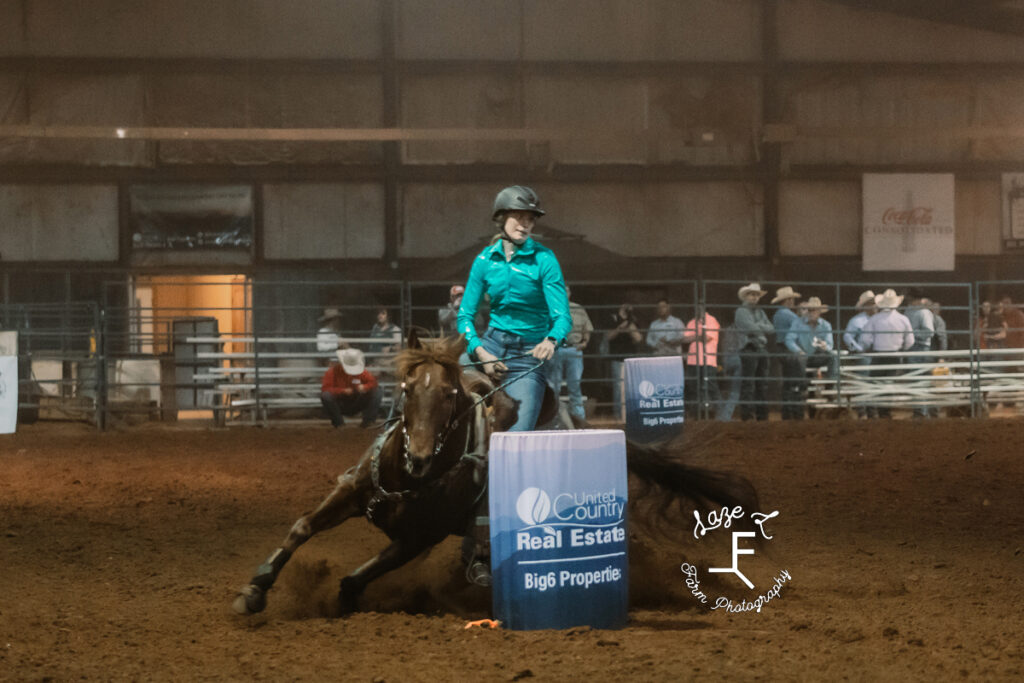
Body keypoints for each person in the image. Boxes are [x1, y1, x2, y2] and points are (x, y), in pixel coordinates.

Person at [457, 185, 571, 587]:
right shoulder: (483, 261)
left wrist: (551, 340)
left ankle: (493, 541)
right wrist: (479, 351)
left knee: (515, 441)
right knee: (434, 393)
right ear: (501, 219)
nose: (526, 224)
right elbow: (466, 316)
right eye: (519, 217)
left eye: (531, 219)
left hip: (527, 357)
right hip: (489, 348)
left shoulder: (545, 259)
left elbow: (562, 316)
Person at [860, 289, 914, 418]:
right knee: (889, 384)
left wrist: (869, 346)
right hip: (895, 355)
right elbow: (910, 341)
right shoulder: (903, 319)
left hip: (878, 355)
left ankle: (872, 413)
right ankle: (885, 412)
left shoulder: (874, 319)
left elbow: (865, 340)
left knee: (874, 384)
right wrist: (902, 348)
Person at [546, 285, 593, 428]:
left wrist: (584, 343)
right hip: (557, 351)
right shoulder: (551, 308)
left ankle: (579, 420)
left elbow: (588, 328)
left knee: (575, 386)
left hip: (574, 350)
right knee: (554, 387)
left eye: (567, 290)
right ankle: (553, 420)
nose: (564, 293)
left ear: (570, 293)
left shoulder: (578, 309)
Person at [784, 297, 835, 419]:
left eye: (815, 310)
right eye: (810, 310)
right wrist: (798, 350)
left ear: (819, 312)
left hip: (817, 357)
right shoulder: (798, 323)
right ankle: (803, 388)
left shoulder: (826, 325)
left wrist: (825, 346)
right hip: (804, 357)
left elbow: (830, 345)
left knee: (832, 356)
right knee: (800, 359)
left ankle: (830, 386)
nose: (812, 312)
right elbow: (789, 339)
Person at [734, 283, 774, 421]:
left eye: (757, 295)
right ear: (746, 296)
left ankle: (762, 416)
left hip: (760, 349)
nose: (755, 297)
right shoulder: (741, 311)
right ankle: (747, 416)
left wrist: (758, 327)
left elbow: (771, 328)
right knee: (749, 384)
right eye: (752, 294)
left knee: (761, 383)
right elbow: (751, 328)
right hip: (748, 348)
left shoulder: (760, 311)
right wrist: (760, 328)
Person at [320, 348, 381, 429]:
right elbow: (325, 389)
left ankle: (368, 422)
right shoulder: (332, 372)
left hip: (357, 400)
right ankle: (339, 424)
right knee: (326, 396)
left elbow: (373, 383)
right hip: (340, 402)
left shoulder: (362, 372)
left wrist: (364, 387)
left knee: (377, 391)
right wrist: (342, 391)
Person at [607, 304, 644, 420]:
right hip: (617, 358)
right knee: (618, 386)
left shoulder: (633, 320)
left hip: (631, 358)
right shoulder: (613, 318)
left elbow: (638, 338)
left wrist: (630, 327)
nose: (627, 310)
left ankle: (632, 413)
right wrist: (620, 328)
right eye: (624, 308)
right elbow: (608, 336)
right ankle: (618, 415)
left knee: (632, 386)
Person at [771, 286, 803, 420]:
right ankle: (794, 412)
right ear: (787, 300)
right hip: (788, 348)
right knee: (794, 380)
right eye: (791, 299)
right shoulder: (788, 315)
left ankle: (788, 412)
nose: (793, 301)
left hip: (781, 347)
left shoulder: (778, 314)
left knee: (788, 380)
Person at [682, 305, 720, 419]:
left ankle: (719, 416)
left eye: (701, 307)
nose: (698, 310)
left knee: (710, 386)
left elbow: (707, 338)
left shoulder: (712, 320)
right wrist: (699, 336)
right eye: (697, 307)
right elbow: (684, 339)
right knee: (694, 387)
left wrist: (694, 336)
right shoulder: (692, 321)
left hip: (708, 360)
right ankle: (696, 416)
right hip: (693, 360)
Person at [843, 290, 877, 418]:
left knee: (873, 382)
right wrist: (858, 349)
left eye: (875, 303)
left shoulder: (877, 318)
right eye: (871, 303)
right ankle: (863, 410)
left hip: (876, 353)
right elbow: (847, 337)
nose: (874, 306)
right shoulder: (857, 321)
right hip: (864, 355)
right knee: (865, 381)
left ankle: (871, 410)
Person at [904, 289, 936, 418]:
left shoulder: (921, 312)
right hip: (916, 347)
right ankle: (920, 411)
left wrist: (911, 334)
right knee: (917, 380)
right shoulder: (915, 312)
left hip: (920, 348)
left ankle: (921, 411)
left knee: (919, 379)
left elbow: (929, 332)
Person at [715, 322, 744, 422]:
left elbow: (722, 346)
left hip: (725, 360)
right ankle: (725, 416)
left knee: (724, 390)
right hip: (737, 359)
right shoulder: (741, 330)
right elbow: (742, 345)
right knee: (735, 391)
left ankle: (721, 415)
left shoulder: (726, 330)